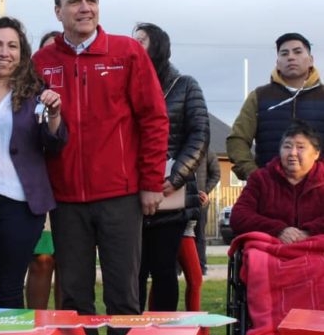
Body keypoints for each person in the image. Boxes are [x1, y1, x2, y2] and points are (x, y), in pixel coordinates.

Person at [33, 0, 169, 335]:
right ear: (58, 11)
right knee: (74, 296)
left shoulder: (126, 53)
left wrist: (150, 183)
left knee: (123, 295)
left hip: (120, 196)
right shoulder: (42, 62)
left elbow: (154, 119)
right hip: (66, 200)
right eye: (74, 1)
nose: (85, 8)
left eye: (91, 0)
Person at [0, 16, 67, 309]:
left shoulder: (35, 95)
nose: (4, 52)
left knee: (8, 292)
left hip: (18, 206)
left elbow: (54, 143)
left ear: (22, 54)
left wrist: (54, 114)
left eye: (12, 46)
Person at [230, 120, 324, 335]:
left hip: (313, 249)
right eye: (287, 146)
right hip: (272, 250)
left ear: (316, 154)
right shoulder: (262, 179)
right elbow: (240, 216)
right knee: (258, 263)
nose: (292, 153)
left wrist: (307, 231)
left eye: (300, 147)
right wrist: (279, 229)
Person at [133, 23, 209, 313]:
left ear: (158, 47)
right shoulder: (127, 83)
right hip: (132, 191)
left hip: (171, 193)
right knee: (134, 270)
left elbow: (199, 134)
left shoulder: (185, 85)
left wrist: (176, 177)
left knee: (165, 269)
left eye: (141, 40)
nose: (134, 45)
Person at [227, 33, 324, 181]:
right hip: (269, 190)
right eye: (284, 53)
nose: (291, 57)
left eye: (297, 52)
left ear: (310, 60)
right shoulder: (259, 96)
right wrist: (254, 175)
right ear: (277, 62)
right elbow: (237, 139)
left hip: (318, 190)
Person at [25, 29, 62, 310]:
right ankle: (36, 326)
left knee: (69, 264)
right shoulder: (28, 94)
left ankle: (66, 330)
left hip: (72, 185)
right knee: (42, 259)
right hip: (39, 186)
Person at [194, 149, 220, 275]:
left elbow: (216, 174)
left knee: (200, 234)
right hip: (180, 199)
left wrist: (205, 190)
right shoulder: (181, 148)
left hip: (201, 201)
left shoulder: (208, 152)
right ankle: (177, 267)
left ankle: (201, 266)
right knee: (178, 234)